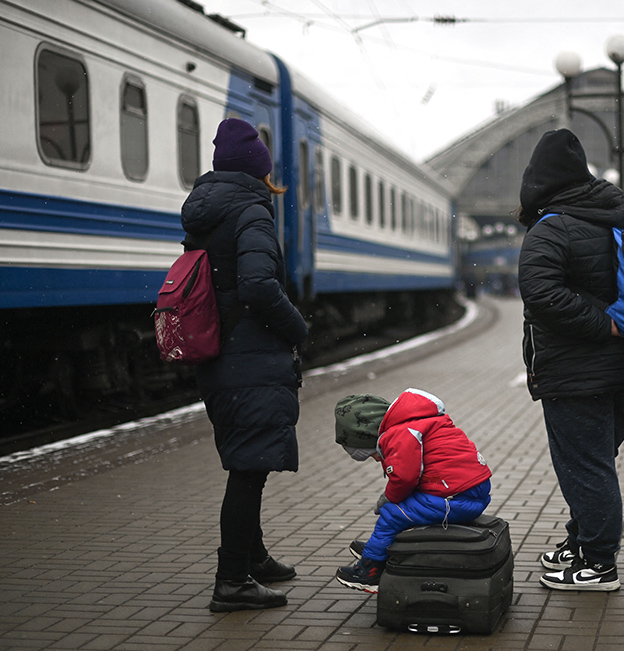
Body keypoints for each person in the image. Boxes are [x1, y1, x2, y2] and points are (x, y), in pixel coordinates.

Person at [516, 129, 624, 591]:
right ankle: (580, 543)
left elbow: (540, 293)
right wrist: (617, 324)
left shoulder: (552, 227)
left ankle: (598, 563)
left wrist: (603, 325)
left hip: (577, 372)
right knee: (594, 463)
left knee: (587, 467)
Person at [181, 118, 308, 612]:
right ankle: (232, 580)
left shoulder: (206, 213)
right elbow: (257, 286)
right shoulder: (252, 211)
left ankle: (251, 558)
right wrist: (296, 327)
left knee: (245, 458)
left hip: (221, 353)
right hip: (248, 353)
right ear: (259, 170)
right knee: (249, 469)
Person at [333, 389, 493, 593]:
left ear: (371, 437)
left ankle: (370, 570)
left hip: (456, 499)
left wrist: (387, 498)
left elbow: (404, 477)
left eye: (373, 454)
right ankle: (382, 546)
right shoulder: (420, 420)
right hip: (467, 491)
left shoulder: (399, 434)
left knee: (392, 514)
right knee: (405, 507)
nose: (376, 459)